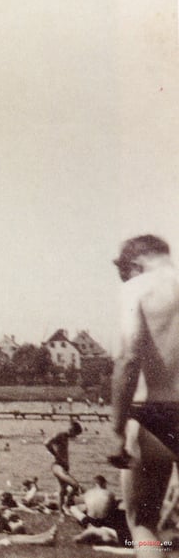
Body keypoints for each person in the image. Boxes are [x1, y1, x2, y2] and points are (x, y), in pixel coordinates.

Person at [110, 235, 179, 556]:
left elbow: (128, 357)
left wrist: (117, 429)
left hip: (154, 411)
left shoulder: (137, 288)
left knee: (144, 522)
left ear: (134, 265)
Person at [44, 421, 82, 510]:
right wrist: (55, 454)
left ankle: (61, 512)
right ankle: (66, 504)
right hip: (58, 465)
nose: (75, 437)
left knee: (62, 490)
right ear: (72, 430)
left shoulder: (65, 436)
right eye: (75, 434)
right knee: (75, 485)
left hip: (63, 466)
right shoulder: (60, 434)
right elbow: (46, 442)